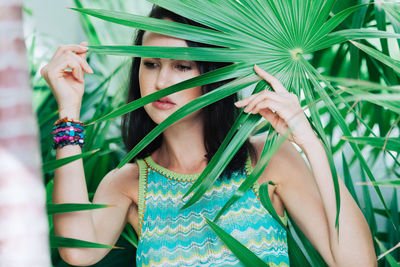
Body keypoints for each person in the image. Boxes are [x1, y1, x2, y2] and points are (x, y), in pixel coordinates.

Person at [41, 4, 376, 267]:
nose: (161, 82)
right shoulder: (129, 182)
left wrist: (307, 141)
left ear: (211, 74)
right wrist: (68, 109)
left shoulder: (266, 160)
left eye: (182, 66)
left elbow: (357, 263)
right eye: (151, 64)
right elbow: (77, 250)